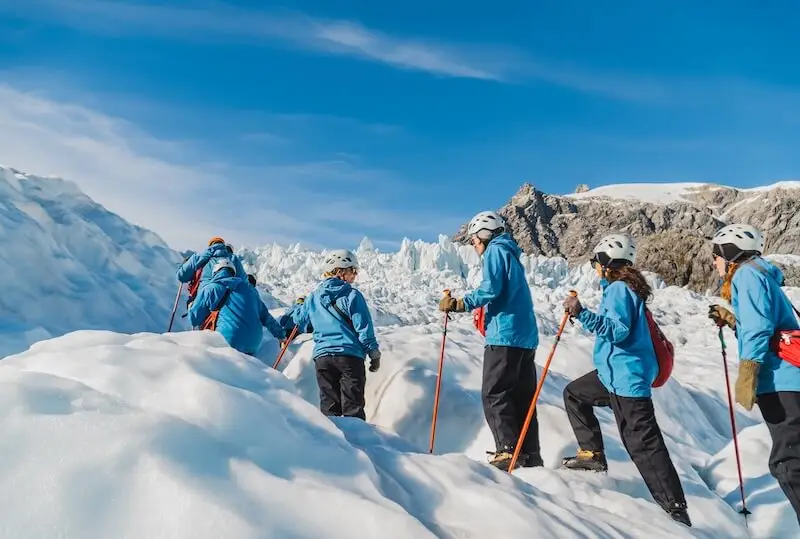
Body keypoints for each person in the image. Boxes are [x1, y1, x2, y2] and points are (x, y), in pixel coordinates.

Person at [560, 233, 691, 527]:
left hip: (627, 379)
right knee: (575, 394)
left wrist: (581, 313)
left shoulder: (620, 290)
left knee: (643, 445)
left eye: (596, 261)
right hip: (613, 375)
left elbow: (617, 331)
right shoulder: (624, 288)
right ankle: (592, 453)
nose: (594, 267)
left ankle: (675, 510)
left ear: (606, 262)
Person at [707, 223, 800, 525]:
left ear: (730, 252)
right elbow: (762, 326)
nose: (714, 261)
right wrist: (735, 322)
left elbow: (759, 329)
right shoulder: (761, 275)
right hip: (790, 379)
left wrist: (748, 374)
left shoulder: (746, 274)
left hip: (780, 381)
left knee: (789, 463)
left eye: (716, 254)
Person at [438, 210, 541, 471]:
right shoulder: (511, 254)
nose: (474, 246)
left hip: (505, 335)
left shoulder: (495, 251)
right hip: (525, 338)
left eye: (473, 240)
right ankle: (529, 455)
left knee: (494, 393)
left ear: (484, 234)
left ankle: (507, 451)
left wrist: (461, 303)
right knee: (521, 397)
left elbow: (490, 289)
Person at [291, 249, 380, 420]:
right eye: (352, 271)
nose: (354, 275)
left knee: (329, 409)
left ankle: (333, 444)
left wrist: (299, 304)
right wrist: (373, 352)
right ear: (340, 271)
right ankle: (356, 444)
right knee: (353, 408)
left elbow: (300, 321)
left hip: (323, 358)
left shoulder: (313, 297)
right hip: (349, 357)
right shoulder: (352, 295)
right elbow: (363, 327)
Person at [189, 260, 285, 356]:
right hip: (254, 342)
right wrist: (281, 335)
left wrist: (191, 307)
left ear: (215, 272)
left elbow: (195, 319)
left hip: (229, 339)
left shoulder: (211, 288)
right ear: (233, 273)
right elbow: (266, 317)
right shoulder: (251, 290)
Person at [177, 236, 246, 290]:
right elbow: (244, 282)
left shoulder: (200, 256)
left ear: (210, 245)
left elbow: (182, 276)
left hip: (202, 296)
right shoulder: (234, 259)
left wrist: (184, 265)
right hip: (228, 300)